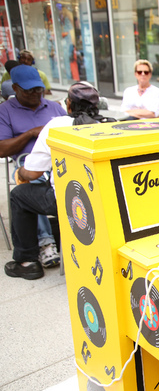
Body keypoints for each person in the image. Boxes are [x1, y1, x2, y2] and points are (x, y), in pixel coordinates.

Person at [5, 81, 105, 280]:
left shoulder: (56, 125)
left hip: (68, 200)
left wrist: (21, 174)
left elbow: (32, 173)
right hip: (101, 200)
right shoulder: (108, 124)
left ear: (68, 105)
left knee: (18, 195)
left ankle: (27, 261)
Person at [0, 65, 66, 270]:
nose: (36, 94)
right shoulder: (6, 111)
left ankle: (48, 241)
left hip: (57, 164)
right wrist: (30, 133)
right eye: (29, 90)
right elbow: (2, 149)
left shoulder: (54, 108)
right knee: (31, 181)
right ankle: (47, 243)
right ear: (16, 88)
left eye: (38, 89)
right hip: (26, 163)